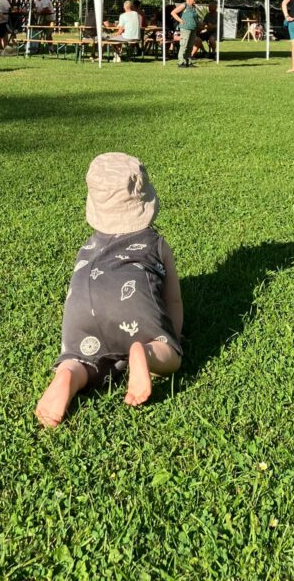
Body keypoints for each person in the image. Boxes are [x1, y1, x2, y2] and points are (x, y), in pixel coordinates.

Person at [35, 152, 183, 428]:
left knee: (83, 359)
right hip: (132, 309)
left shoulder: (87, 247)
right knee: (169, 354)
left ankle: (70, 371)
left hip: (84, 306)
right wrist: (171, 338)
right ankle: (144, 353)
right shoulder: (157, 244)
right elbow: (173, 300)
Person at [172, 0, 203, 67]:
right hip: (185, 28)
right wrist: (180, 20)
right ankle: (181, 62)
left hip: (193, 28)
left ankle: (188, 62)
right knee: (184, 45)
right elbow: (173, 13)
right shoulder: (184, 5)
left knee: (190, 46)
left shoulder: (193, 7)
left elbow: (195, 18)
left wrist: (200, 24)